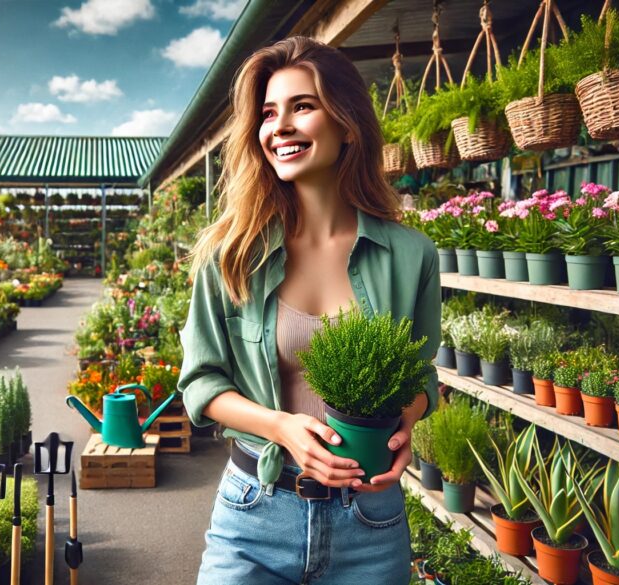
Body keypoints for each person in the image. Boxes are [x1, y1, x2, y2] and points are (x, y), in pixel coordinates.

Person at [179, 36, 441, 584]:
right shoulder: (231, 254)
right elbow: (201, 384)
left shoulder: (411, 254)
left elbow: (420, 377)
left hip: (369, 522)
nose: (281, 126)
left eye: (303, 106)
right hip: (255, 515)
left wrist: (406, 423)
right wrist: (282, 428)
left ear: (347, 123)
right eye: (269, 113)